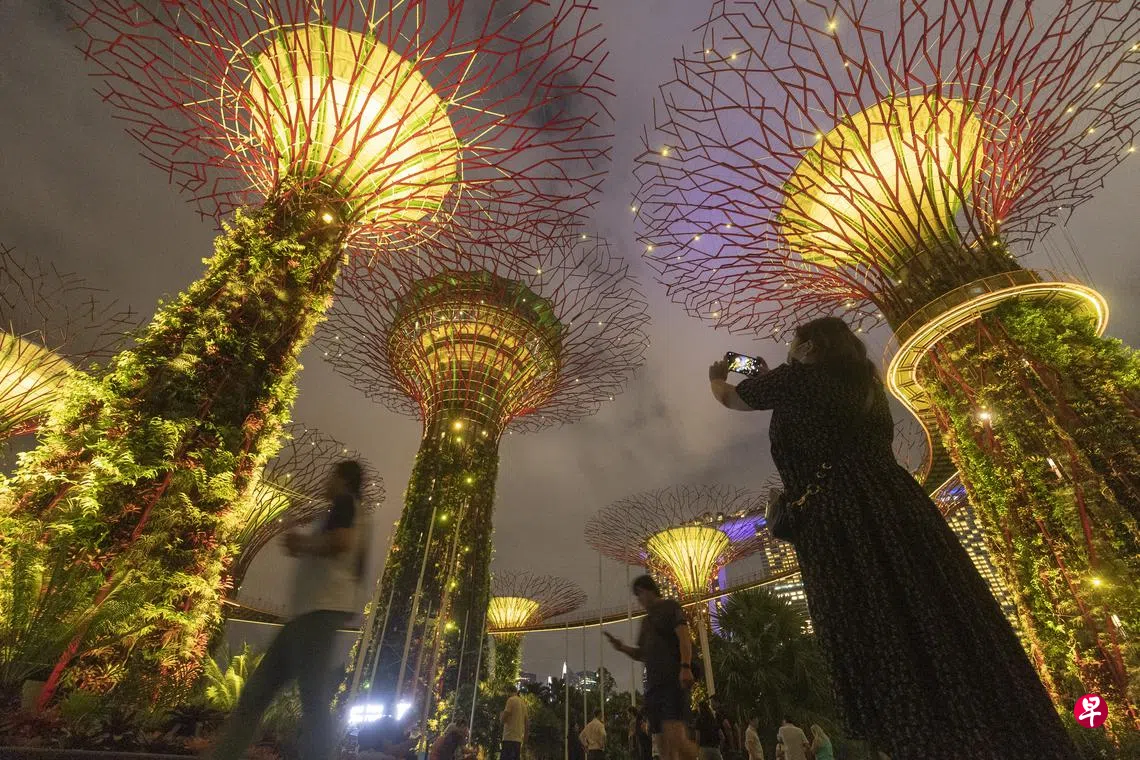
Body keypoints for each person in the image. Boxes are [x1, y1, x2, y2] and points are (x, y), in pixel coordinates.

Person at [708, 317, 1081, 760]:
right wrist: (777, 378)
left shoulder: (797, 381)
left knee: (871, 615)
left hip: (840, 519)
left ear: (809, 347)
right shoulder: (865, 384)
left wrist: (717, 375)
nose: (790, 348)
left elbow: (731, 398)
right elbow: (818, 411)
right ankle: (987, 724)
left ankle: (911, 731)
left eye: (795, 342)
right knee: (932, 605)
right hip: (897, 505)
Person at [211, 460, 372, 760]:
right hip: (308, 615)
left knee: (311, 700)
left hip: (316, 614)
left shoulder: (345, 503)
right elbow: (359, 567)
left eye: (331, 475)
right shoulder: (359, 515)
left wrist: (303, 543)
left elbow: (342, 541)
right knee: (260, 693)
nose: (325, 481)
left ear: (342, 479)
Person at [605, 576, 698, 760]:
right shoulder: (646, 622)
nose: (639, 599)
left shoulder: (670, 607)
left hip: (672, 681)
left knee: (676, 739)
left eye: (639, 593)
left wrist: (685, 666)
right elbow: (642, 654)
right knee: (663, 746)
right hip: (653, 688)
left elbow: (684, 638)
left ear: (649, 590)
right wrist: (621, 647)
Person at [500, 684, 529, 760]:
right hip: (518, 740)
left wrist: (501, 715)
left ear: (508, 692)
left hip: (509, 738)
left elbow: (503, 719)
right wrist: (525, 741)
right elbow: (527, 723)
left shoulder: (511, 700)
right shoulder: (523, 703)